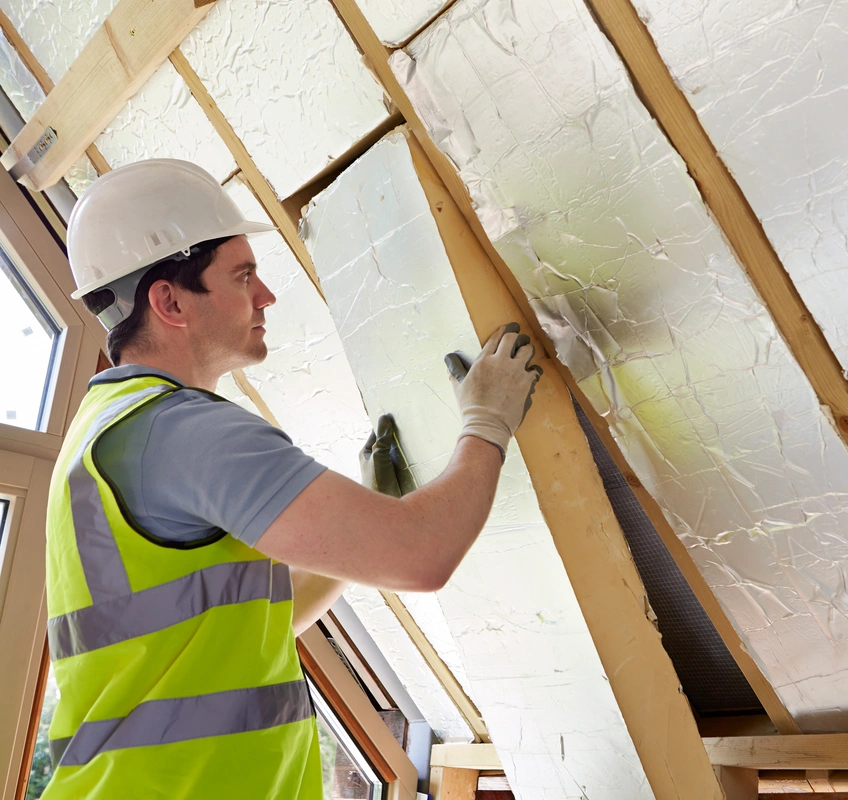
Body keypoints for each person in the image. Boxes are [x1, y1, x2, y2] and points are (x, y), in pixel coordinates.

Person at [41, 159, 541, 798]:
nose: (266, 295)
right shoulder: (184, 434)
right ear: (168, 301)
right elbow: (423, 557)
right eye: (242, 274)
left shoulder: (101, 434)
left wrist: (358, 533)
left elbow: (248, 631)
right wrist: (487, 422)